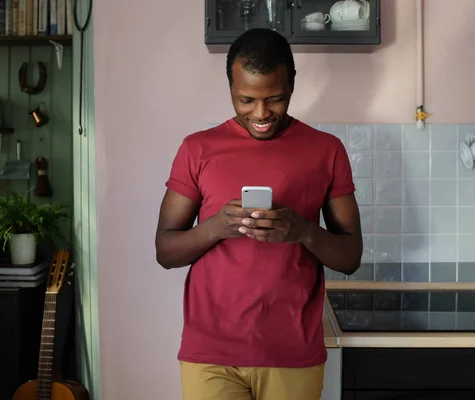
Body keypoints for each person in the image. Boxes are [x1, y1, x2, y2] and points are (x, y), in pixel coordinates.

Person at [155, 28, 363, 400]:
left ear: (293, 84)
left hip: (292, 351)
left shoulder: (326, 151)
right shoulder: (197, 149)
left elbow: (350, 258)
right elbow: (166, 252)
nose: (262, 113)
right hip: (211, 354)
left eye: (276, 98)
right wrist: (217, 226)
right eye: (246, 99)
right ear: (230, 86)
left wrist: (302, 230)